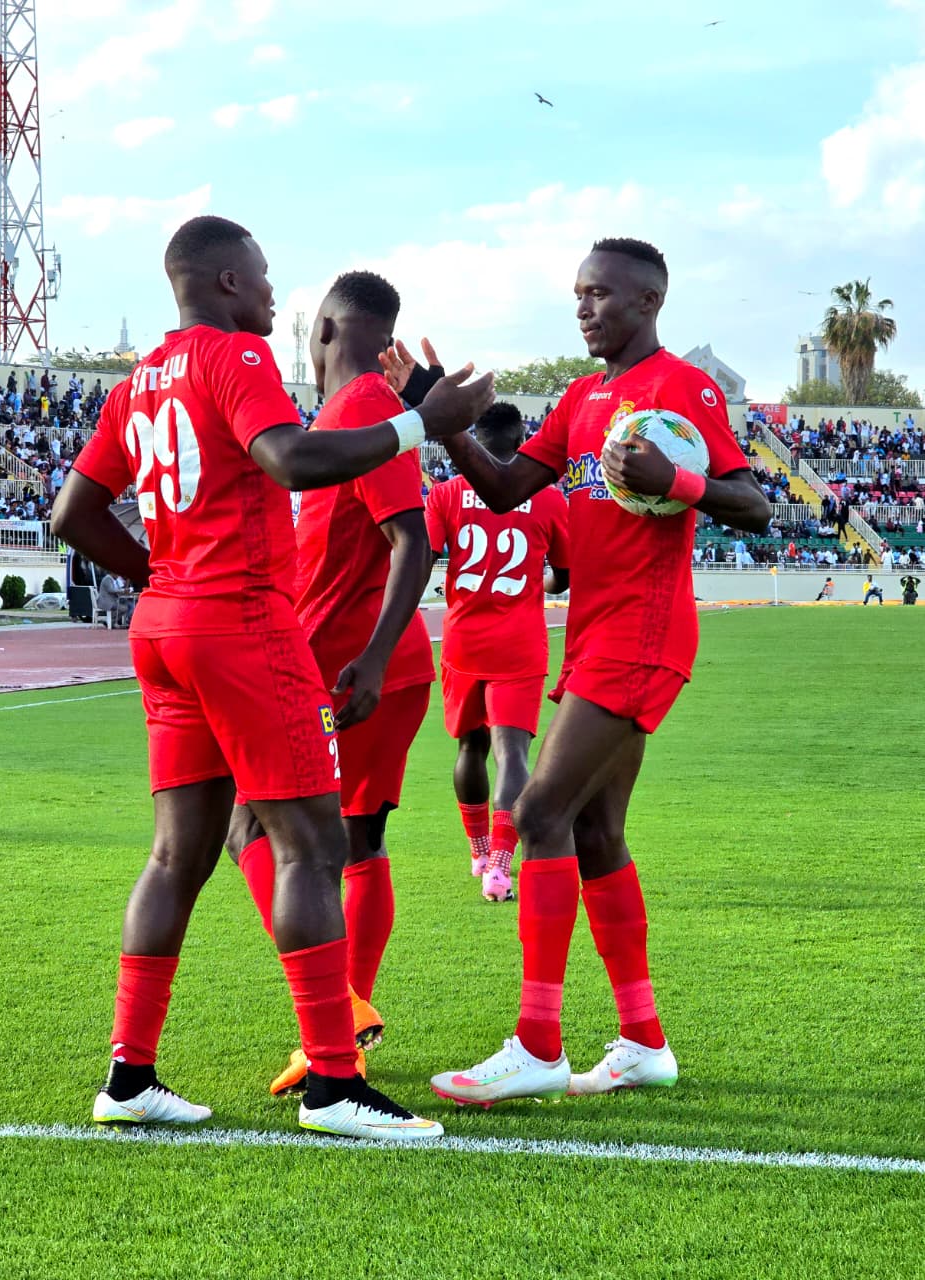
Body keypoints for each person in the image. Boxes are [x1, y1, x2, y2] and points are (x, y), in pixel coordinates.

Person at [50, 214, 493, 1141]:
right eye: (259, 277)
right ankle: (336, 1083)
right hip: (242, 622)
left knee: (178, 852)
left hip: (166, 626)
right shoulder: (235, 359)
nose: (271, 294)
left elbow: (72, 514)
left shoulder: (134, 386)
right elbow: (290, 462)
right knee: (313, 847)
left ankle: (129, 1075)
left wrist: (158, 579)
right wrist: (425, 421)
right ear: (220, 284)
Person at [385, 237, 769, 1106]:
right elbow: (503, 487)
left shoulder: (681, 388)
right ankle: (641, 1040)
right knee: (593, 831)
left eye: (598, 294)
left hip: (641, 633)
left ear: (647, 302)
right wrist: (433, 412)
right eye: (576, 294)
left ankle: (538, 1041)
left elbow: (751, 503)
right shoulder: (583, 397)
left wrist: (679, 479)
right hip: (594, 637)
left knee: (535, 809)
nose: (583, 307)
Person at [224, 270, 438, 1098]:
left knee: (250, 825)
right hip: (375, 662)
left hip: (346, 667)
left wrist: (374, 658)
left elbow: (409, 543)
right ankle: (340, 1023)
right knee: (358, 842)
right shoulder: (361, 412)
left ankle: (336, 1015)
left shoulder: (356, 410)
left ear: (323, 332)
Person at [423, 401, 570, 902]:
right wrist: (535, 582)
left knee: (470, 748)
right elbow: (563, 576)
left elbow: (423, 558)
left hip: (462, 640)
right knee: (513, 754)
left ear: (475, 438)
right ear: (520, 440)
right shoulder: (549, 499)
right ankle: (501, 870)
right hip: (520, 643)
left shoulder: (445, 493)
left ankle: (479, 850)